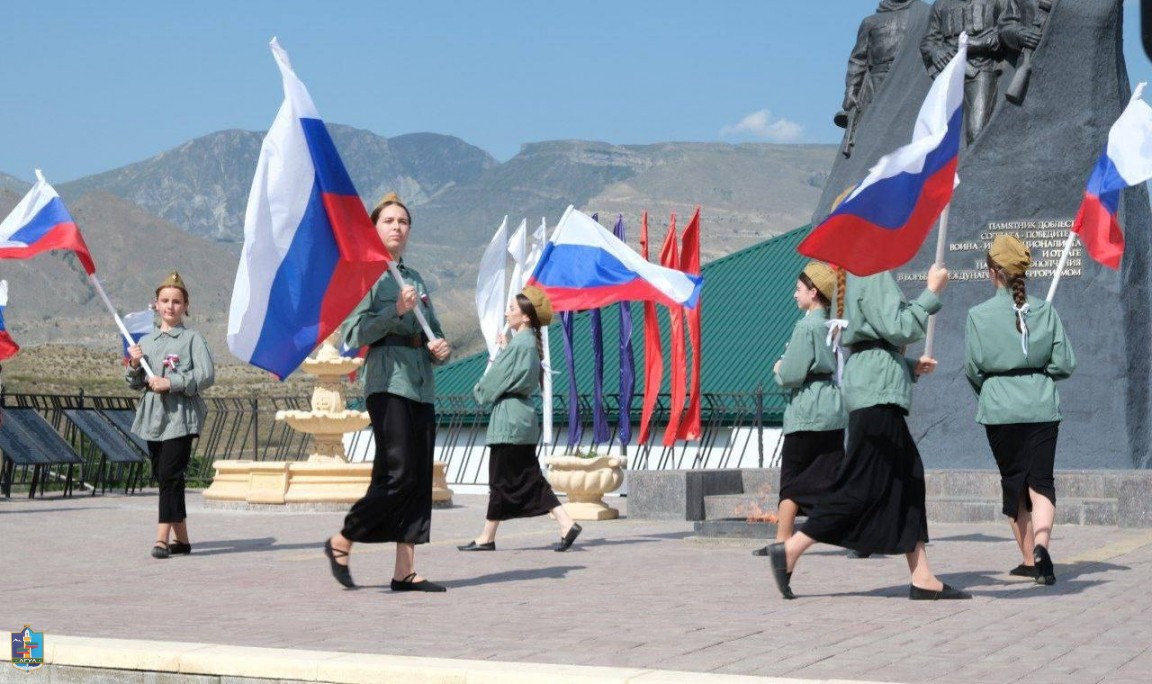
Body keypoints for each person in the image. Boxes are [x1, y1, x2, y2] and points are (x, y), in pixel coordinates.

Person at [767, 264, 972, 601]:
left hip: (871, 387)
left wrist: (907, 366)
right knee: (860, 486)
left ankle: (922, 576)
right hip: (877, 392)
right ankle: (791, 549)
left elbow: (868, 337)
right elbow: (900, 327)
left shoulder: (852, 277)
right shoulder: (871, 273)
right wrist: (932, 291)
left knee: (908, 478)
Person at [324, 192, 452, 593]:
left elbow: (433, 330)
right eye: (389, 221)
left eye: (403, 221)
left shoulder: (415, 278)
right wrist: (394, 310)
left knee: (415, 479)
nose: (397, 226)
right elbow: (353, 334)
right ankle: (343, 539)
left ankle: (405, 571)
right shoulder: (366, 276)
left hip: (421, 385)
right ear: (374, 228)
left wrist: (441, 348)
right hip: (388, 383)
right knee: (397, 475)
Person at [964, 234, 1075, 585]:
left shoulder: (978, 315)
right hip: (1041, 405)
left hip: (1000, 408)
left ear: (993, 271)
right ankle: (1041, 547)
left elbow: (973, 369)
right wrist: (1038, 378)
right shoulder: (1046, 310)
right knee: (1041, 482)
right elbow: (1065, 363)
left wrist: (992, 392)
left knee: (1014, 483)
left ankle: (1029, 560)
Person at [458, 286, 583, 553]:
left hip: (510, 421)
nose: (507, 312)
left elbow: (496, 380)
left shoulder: (520, 345)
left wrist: (480, 389)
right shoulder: (526, 344)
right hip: (521, 419)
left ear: (526, 316)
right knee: (523, 477)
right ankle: (561, 523)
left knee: (506, 479)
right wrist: (506, 349)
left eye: (512, 308)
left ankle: (489, 537)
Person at [756, 262, 846, 552]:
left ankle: (782, 542)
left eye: (799, 289)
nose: (795, 295)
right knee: (832, 477)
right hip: (831, 408)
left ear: (814, 292)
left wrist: (779, 367)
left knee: (792, 478)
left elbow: (790, 374)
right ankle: (854, 533)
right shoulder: (833, 326)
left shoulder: (806, 327)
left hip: (807, 409)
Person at [126, 272, 215, 560]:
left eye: (176, 301)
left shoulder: (192, 339)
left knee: (168, 475)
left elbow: (206, 374)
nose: (170, 306)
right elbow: (136, 383)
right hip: (154, 420)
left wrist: (173, 382)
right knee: (167, 478)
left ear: (186, 306)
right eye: (165, 301)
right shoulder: (147, 342)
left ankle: (161, 540)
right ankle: (184, 541)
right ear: (156, 304)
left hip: (181, 418)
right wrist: (135, 365)